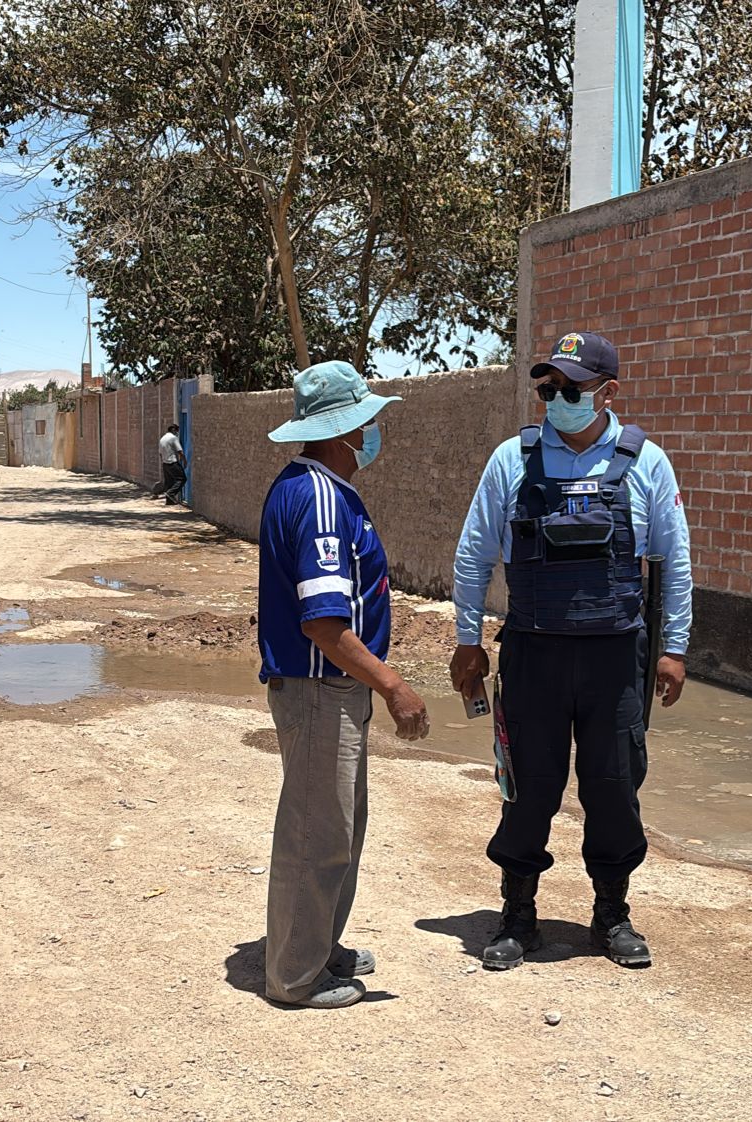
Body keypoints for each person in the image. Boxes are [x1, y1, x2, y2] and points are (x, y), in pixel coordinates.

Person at [449, 330, 691, 971]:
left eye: (569, 388)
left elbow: (674, 559)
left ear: (608, 392)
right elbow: (474, 554)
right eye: (546, 388)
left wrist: (674, 648)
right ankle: (517, 914)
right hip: (533, 652)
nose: (554, 398)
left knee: (614, 786)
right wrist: (467, 641)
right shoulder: (512, 459)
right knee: (528, 786)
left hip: (616, 657)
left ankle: (611, 914)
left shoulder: (647, 463)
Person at [257, 360, 429, 1009]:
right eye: (367, 417)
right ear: (345, 429)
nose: (375, 427)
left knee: (339, 827)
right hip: (318, 686)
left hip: (328, 689)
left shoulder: (309, 488)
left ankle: (319, 947)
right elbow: (324, 625)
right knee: (315, 834)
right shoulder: (321, 500)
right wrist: (392, 685)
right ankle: (294, 978)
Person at [157, 423, 187, 505]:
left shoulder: (162, 439)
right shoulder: (173, 438)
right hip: (172, 462)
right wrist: (185, 461)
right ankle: (171, 494)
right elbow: (180, 451)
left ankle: (169, 501)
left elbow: (160, 453)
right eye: (177, 431)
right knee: (182, 479)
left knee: (169, 482)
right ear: (173, 430)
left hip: (165, 464)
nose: (177, 433)